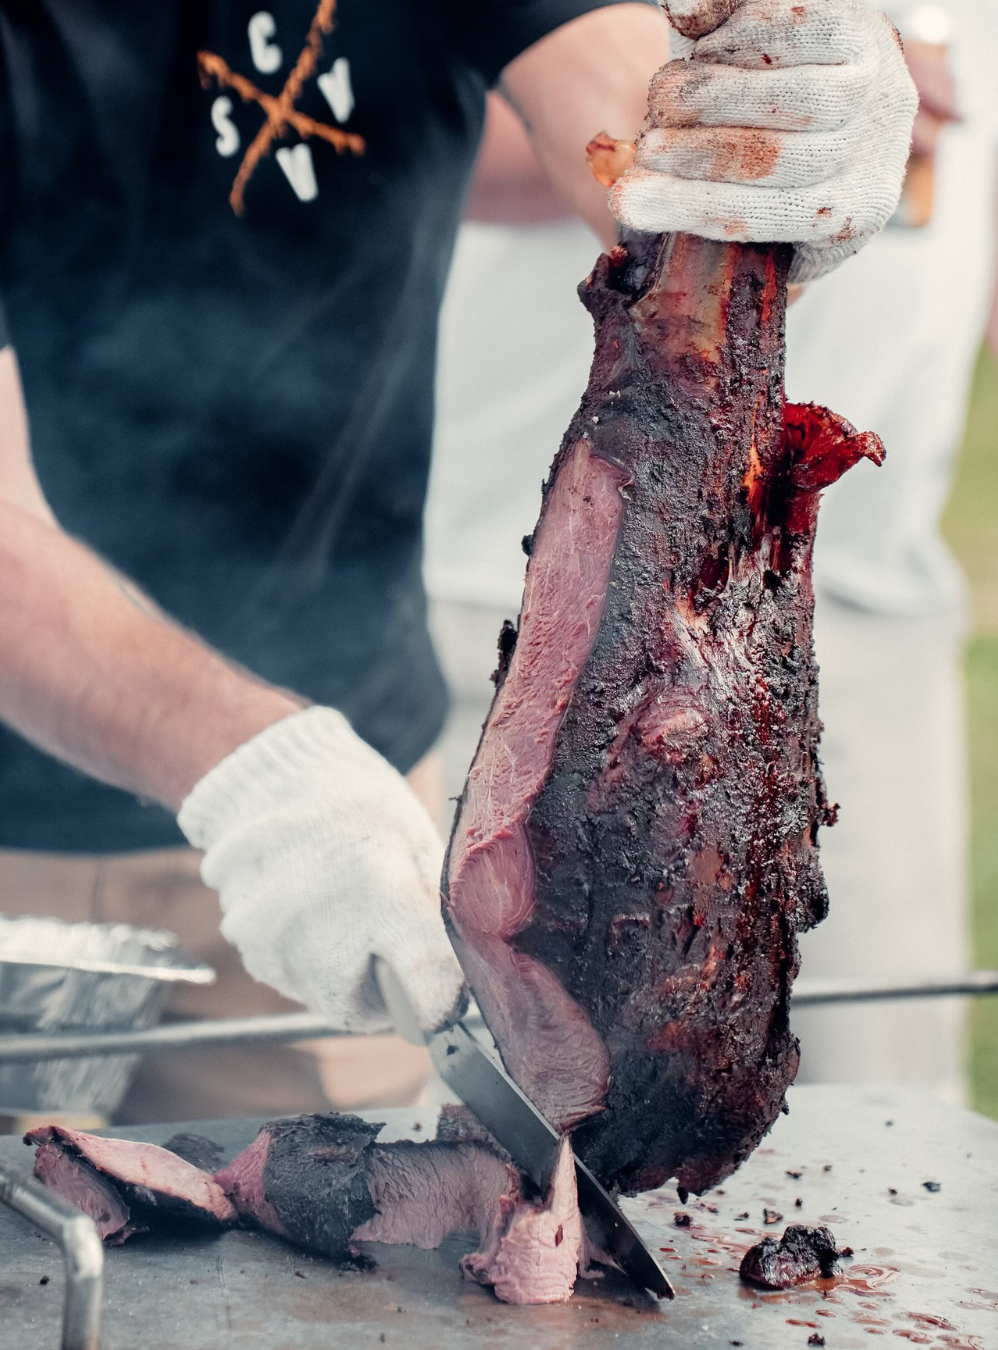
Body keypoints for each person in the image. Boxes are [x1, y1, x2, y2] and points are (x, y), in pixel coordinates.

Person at [0, 0, 915, 1121]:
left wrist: (747, 144)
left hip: (352, 845)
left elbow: (612, 101)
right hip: (106, 832)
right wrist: (253, 772)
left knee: (335, 1270)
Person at [426, 0, 998, 1105]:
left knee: (891, 1104)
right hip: (545, 602)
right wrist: (751, 126)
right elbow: (436, 127)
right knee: (512, 1086)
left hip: (860, 607)